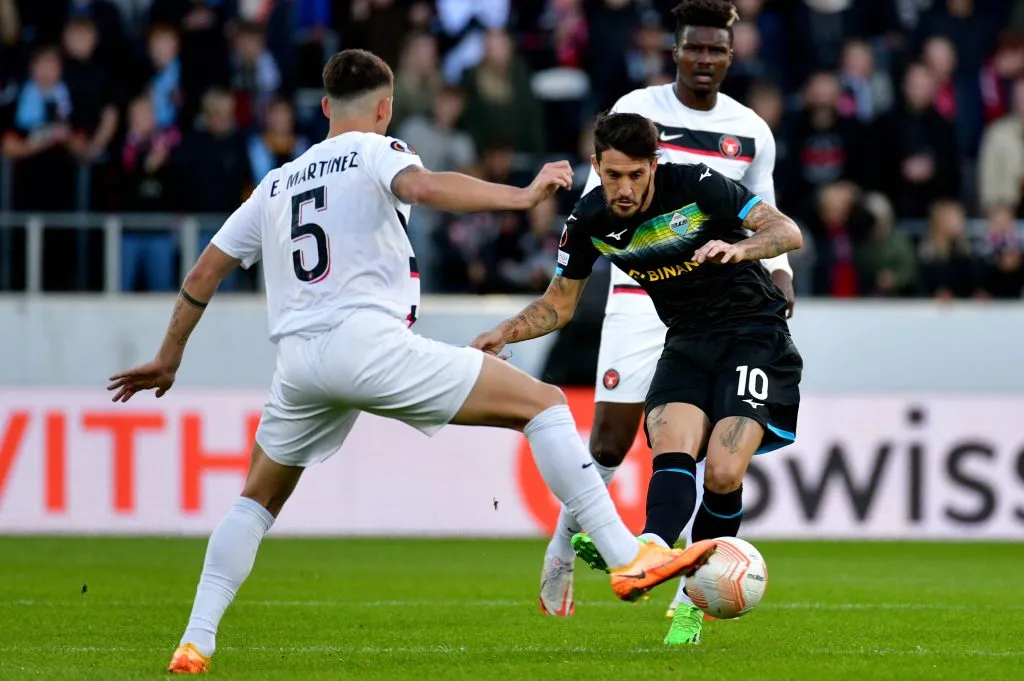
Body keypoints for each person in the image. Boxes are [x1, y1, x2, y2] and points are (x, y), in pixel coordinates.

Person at [106, 50, 714, 675]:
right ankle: (624, 556)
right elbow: (423, 187)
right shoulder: (375, 150)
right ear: (385, 108)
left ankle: (195, 640)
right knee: (546, 406)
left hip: (297, 363)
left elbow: (206, 270)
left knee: (255, 502)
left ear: (323, 109)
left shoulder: (277, 183)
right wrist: (522, 194)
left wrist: (167, 356)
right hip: (367, 343)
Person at [472, 112, 803, 646]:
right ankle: (648, 549)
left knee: (720, 470)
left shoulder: (696, 185)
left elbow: (787, 231)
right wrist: (505, 331)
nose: (623, 189)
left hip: (752, 333)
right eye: (612, 176)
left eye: (635, 176)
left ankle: (694, 605)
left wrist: (740, 248)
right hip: (686, 340)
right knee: (670, 451)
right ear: (596, 166)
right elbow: (559, 305)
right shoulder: (588, 221)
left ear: (654, 165)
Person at [528, 0, 795, 626]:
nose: (704, 60)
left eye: (716, 51)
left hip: (724, 303)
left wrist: (780, 276)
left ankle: (683, 591)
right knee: (610, 441)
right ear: (673, 51)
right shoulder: (637, 110)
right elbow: (604, 202)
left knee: (710, 458)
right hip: (639, 295)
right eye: (693, 49)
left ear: (731, 56)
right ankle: (562, 550)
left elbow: (766, 207)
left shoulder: (751, 128)